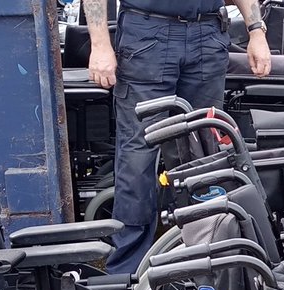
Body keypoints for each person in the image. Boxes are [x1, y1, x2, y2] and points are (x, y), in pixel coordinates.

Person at [84, 0, 271, 274]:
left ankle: (209, 265)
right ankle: (128, 273)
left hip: (207, 34)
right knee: (138, 157)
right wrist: (100, 44)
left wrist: (256, 31)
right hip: (147, 35)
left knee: (207, 156)